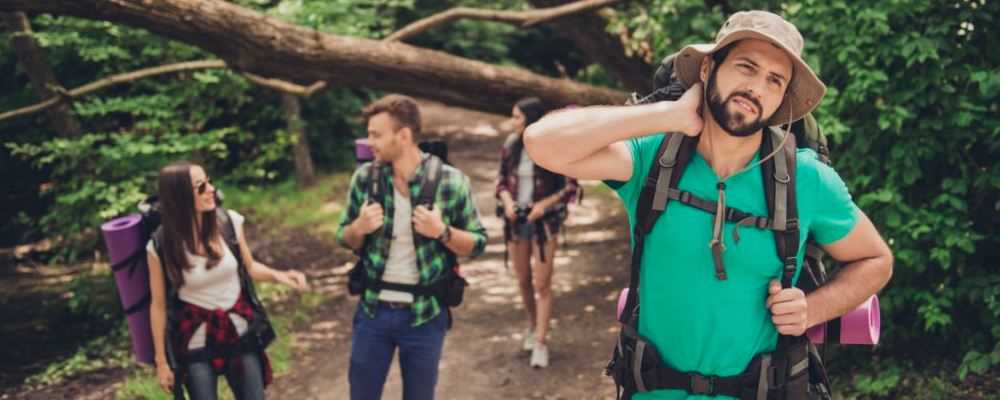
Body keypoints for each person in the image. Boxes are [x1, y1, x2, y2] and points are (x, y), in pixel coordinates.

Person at [524, 10, 893, 399]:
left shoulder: (808, 181)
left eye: (774, 80)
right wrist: (670, 114)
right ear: (706, 70)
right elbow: (541, 141)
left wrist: (814, 308)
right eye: (746, 67)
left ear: (783, 100)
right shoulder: (653, 159)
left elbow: (876, 260)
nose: (756, 88)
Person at [337, 94, 487, 400]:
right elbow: (344, 237)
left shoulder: (451, 181)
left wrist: (442, 231)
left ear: (403, 136)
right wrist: (359, 228)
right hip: (372, 311)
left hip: (425, 315)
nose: (369, 142)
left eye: (376, 135)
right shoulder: (365, 178)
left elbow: (477, 244)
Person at [147, 161, 309, 400]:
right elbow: (158, 306)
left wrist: (282, 276)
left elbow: (251, 267)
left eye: (209, 182)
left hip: (238, 331)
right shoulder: (161, 244)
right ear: (180, 196)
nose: (211, 189)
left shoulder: (229, 223)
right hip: (195, 341)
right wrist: (161, 362)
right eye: (200, 186)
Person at [495, 97, 579, 368]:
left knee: (542, 282)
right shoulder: (511, 145)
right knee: (522, 278)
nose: (513, 122)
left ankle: (541, 341)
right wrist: (508, 203)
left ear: (530, 120)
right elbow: (501, 182)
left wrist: (542, 206)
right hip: (516, 222)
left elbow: (570, 187)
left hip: (545, 224)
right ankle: (532, 326)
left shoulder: (552, 146)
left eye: (517, 117)